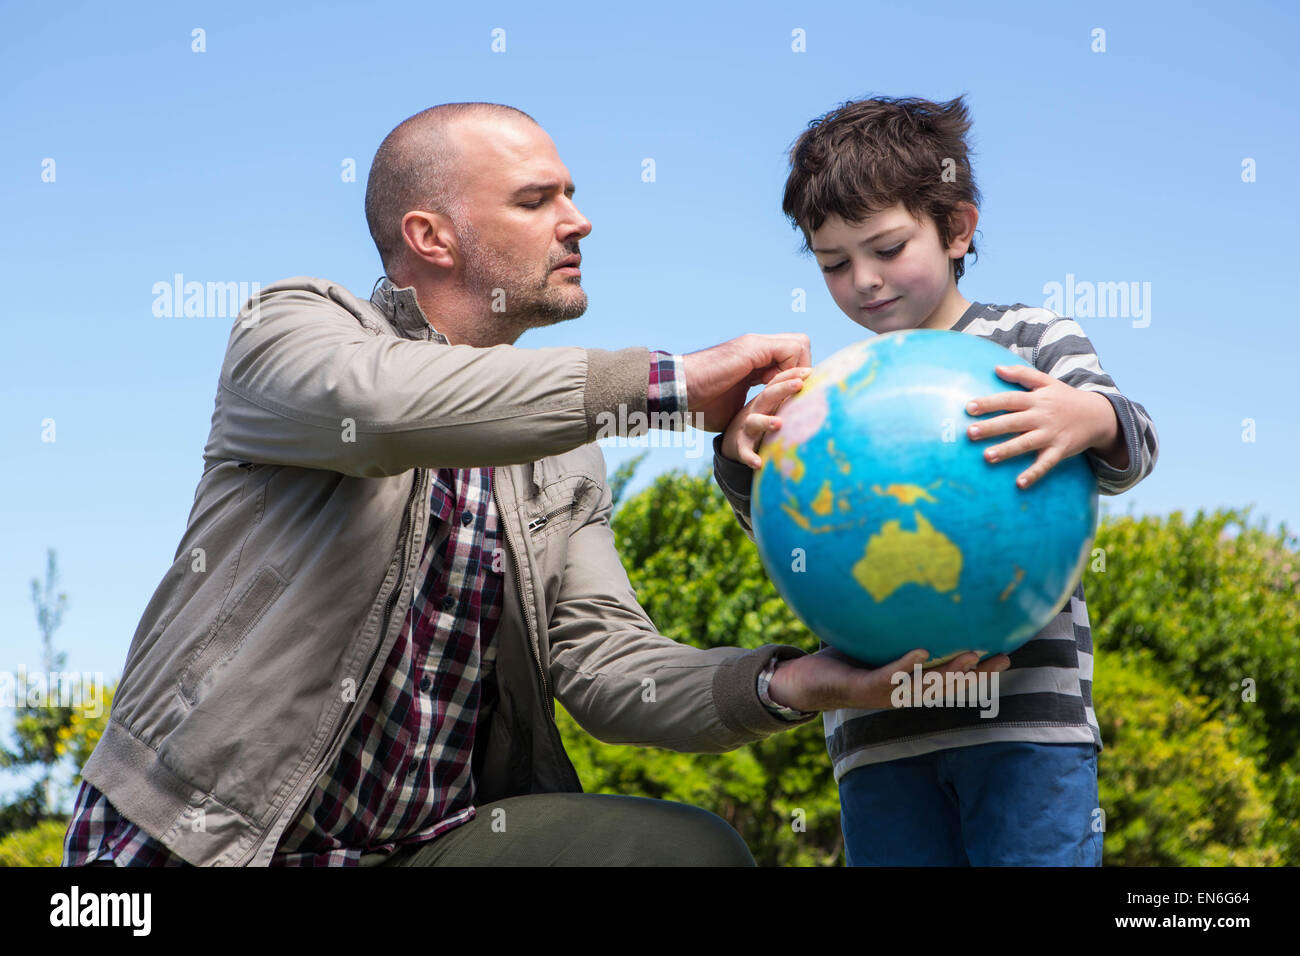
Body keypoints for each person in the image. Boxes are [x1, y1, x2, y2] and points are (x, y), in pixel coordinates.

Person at [61, 102, 1000, 868]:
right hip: (206, 842)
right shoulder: (291, 327)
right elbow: (384, 406)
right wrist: (669, 387)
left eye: (574, 194)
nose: (578, 218)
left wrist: (795, 682)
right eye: (537, 199)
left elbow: (605, 668)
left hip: (422, 849)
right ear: (432, 234)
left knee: (685, 855)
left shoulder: (559, 448)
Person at [714, 95, 1160, 866]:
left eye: (887, 248)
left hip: (1026, 726)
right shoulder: (826, 392)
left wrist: (1089, 417)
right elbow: (787, 538)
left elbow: (1135, 445)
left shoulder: (1029, 340)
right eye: (833, 264)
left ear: (957, 227)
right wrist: (737, 457)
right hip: (878, 737)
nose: (864, 281)